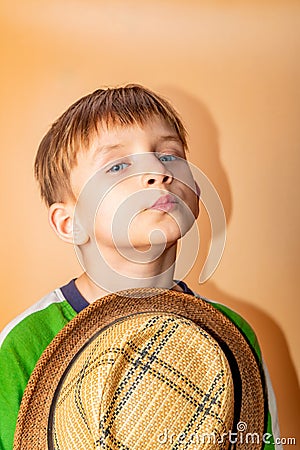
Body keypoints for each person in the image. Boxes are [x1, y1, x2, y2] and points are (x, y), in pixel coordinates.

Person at [0, 85, 280, 449]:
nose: (156, 172)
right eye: (117, 165)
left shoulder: (233, 335)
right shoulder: (26, 343)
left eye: (169, 156)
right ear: (70, 223)